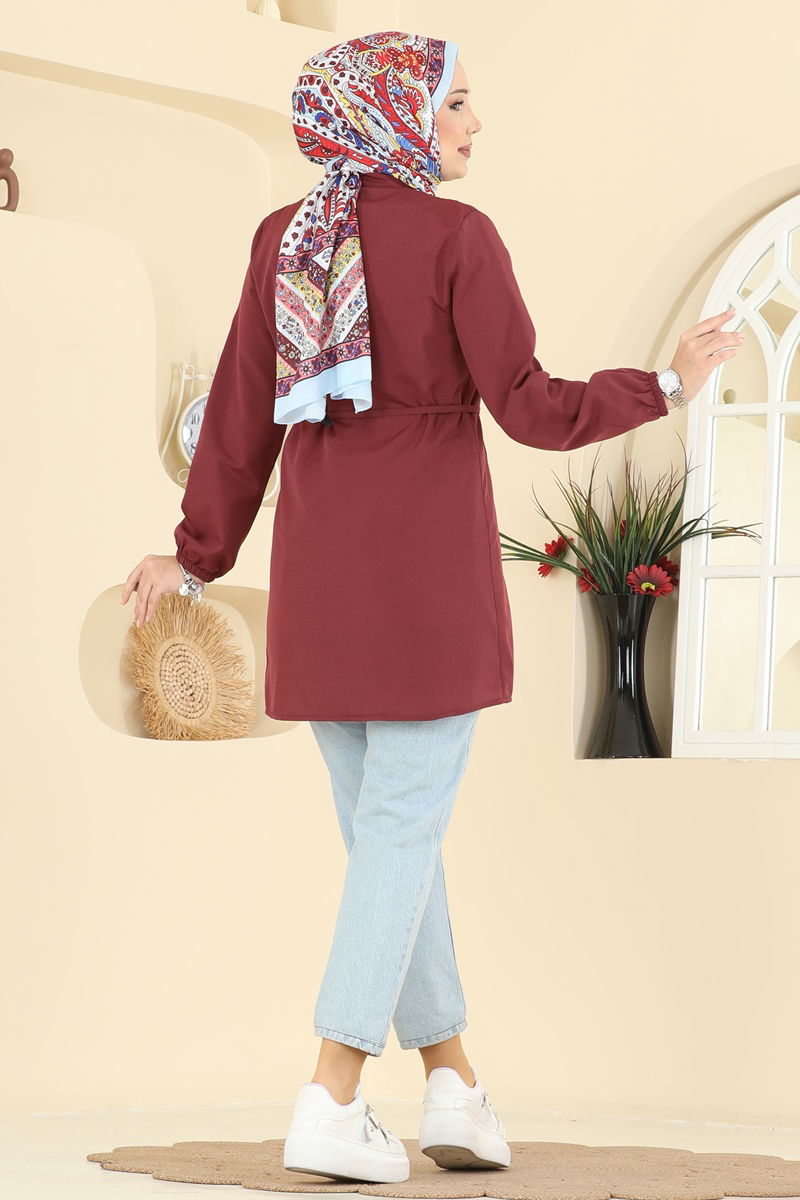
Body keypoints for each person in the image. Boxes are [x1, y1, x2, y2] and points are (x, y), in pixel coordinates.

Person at [120, 30, 743, 1185]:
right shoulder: (459, 239)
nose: (470, 123)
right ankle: (330, 1095)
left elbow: (240, 420)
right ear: (394, 114)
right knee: (398, 839)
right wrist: (665, 384)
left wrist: (194, 558)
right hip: (423, 587)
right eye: (454, 102)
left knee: (387, 844)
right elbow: (529, 405)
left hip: (321, 590)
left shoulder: (284, 240)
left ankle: (453, 1087)